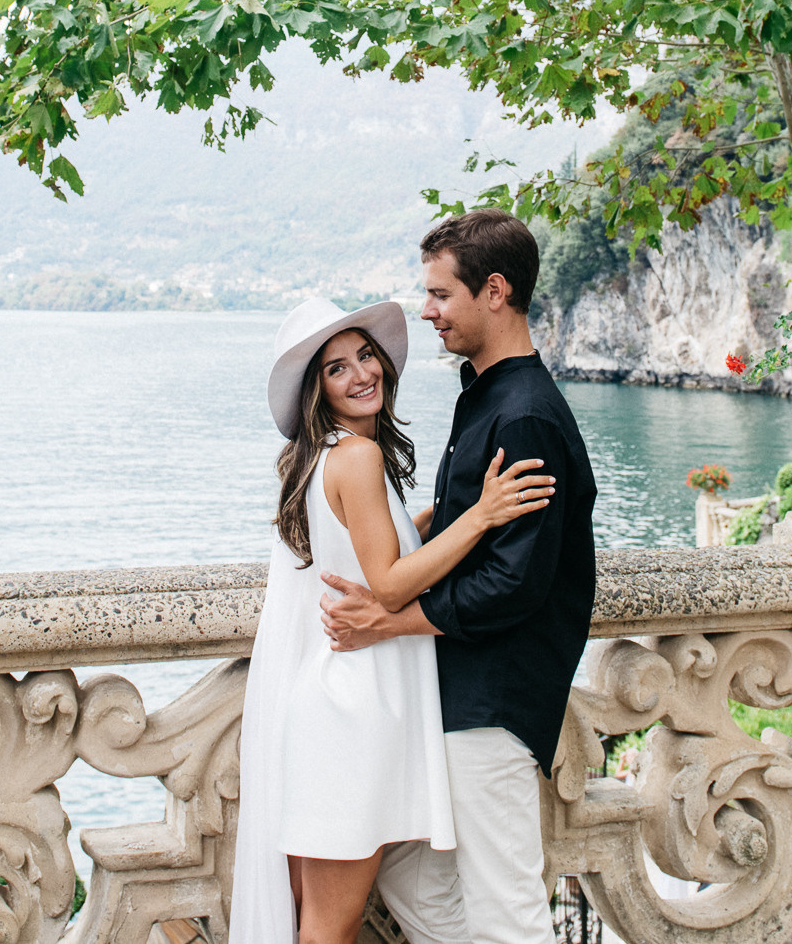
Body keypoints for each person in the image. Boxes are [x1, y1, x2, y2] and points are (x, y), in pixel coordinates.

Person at [231, 296, 558, 944]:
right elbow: (387, 582)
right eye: (336, 368)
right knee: (330, 927)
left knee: (317, 921)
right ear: (315, 391)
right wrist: (484, 513)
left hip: (338, 710)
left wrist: (443, 511)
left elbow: (381, 544)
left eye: (365, 355)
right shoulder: (358, 457)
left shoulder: (332, 454)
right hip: (354, 718)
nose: (361, 373)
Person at [321, 209, 600, 944]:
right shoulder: (488, 396)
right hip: (455, 693)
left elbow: (517, 581)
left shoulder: (526, 416)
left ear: (496, 291)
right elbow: (465, 532)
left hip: (496, 699)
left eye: (441, 294)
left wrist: (393, 619)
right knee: (409, 871)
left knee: (509, 910)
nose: (427, 310)